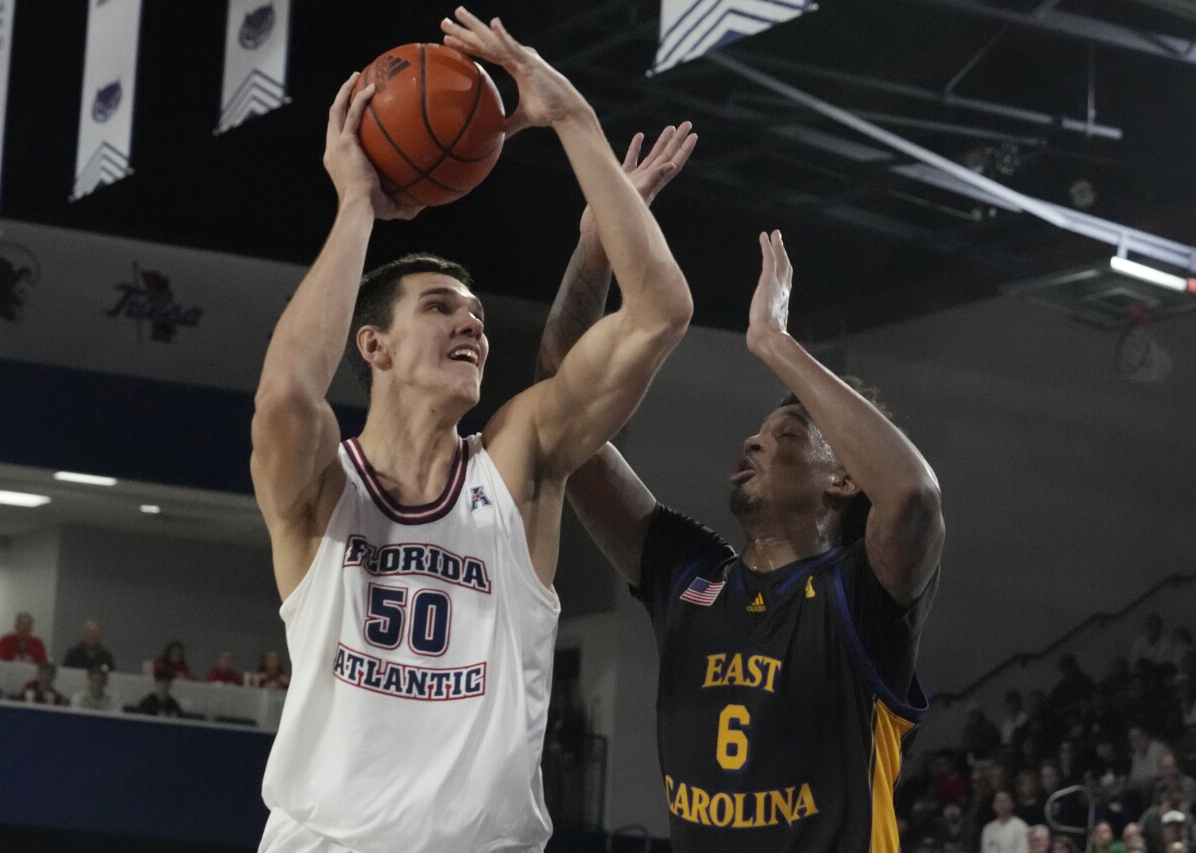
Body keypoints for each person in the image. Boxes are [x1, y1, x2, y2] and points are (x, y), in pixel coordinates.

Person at [251, 9, 693, 853]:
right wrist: (357, 206)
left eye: (480, 314)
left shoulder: (516, 464)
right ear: (372, 344)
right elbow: (284, 393)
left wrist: (573, 118)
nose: (473, 324)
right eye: (441, 306)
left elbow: (660, 313)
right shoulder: (320, 487)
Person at [541, 156, 942, 852]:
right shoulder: (688, 574)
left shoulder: (860, 596)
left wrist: (774, 343)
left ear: (842, 480)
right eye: (757, 431)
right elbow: (558, 410)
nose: (753, 442)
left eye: (784, 434)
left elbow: (910, 495)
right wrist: (596, 246)